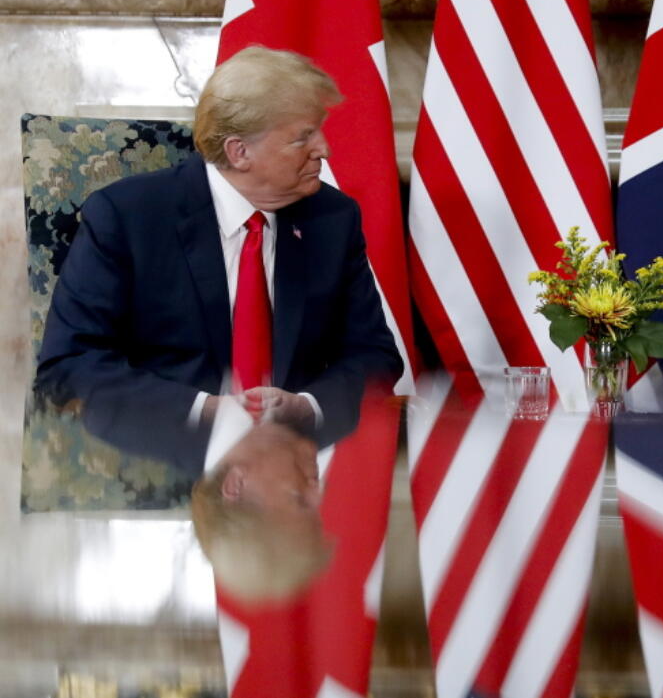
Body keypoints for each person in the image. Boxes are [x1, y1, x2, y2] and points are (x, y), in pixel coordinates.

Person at [34, 46, 402, 474]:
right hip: (158, 461)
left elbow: (373, 354)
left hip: (296, 468)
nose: (325, 149)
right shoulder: (127, 217)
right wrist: (206, 409)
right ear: (239, 152)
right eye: (303, 136)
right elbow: (69, 366)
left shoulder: (332, 219)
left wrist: (307, 406)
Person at [191, 420, 331, 602]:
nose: (318, 492)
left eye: (299, 499)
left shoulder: (163, 407)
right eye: (315, 510)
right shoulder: (337, 415)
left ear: (236, 483)